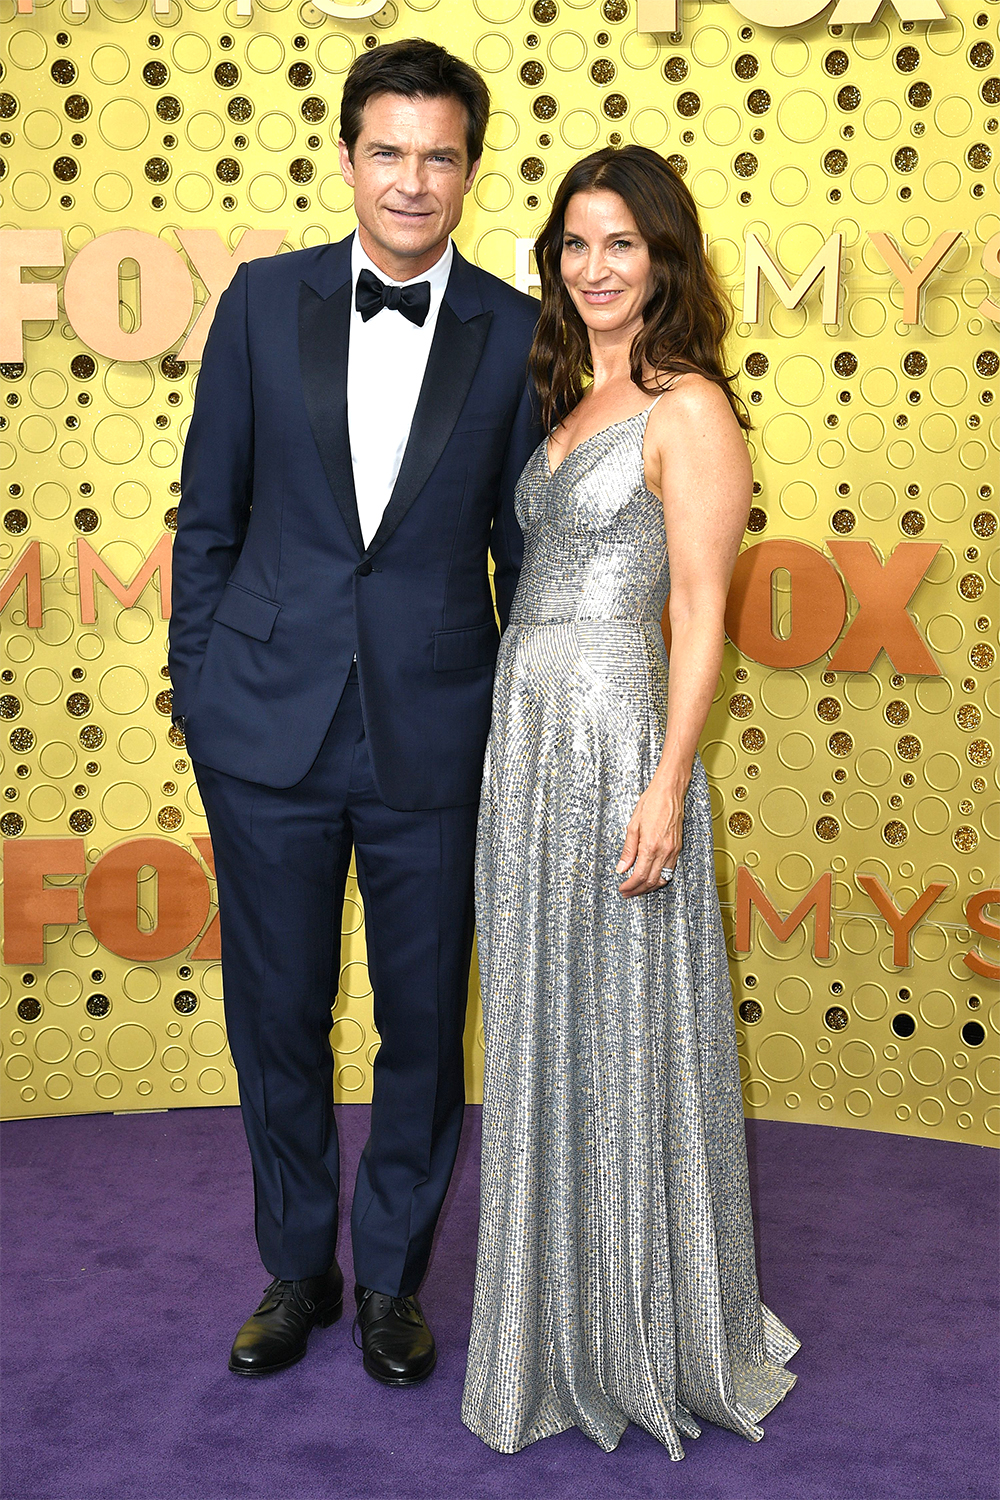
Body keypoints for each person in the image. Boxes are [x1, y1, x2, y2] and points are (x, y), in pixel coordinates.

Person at [168, 39, 539, 1386]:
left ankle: (391, 1280)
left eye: (439, 154)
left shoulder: (516, 329)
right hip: (261, 728)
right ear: (346, 158)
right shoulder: (263, 303)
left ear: (469, 170)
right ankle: (295, 1270)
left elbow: (528, 556)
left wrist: (511, 724)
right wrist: (201, 692)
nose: (413, 180)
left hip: (434, 735)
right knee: (276, 1013)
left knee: (424, 1025)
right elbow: (208, 519)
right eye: (388, 150)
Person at [462, 145, 799, 1457]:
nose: (595, 268)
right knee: (549, 1018)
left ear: (665, 259)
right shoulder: (565, 396)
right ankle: (556, 1312)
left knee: (623, 1022)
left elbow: (705, 613)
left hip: (613, 742)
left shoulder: (691, 406)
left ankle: (644, 1329)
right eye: (575, 244)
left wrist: (668, 780)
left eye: (623, 244)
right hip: (528, 743)